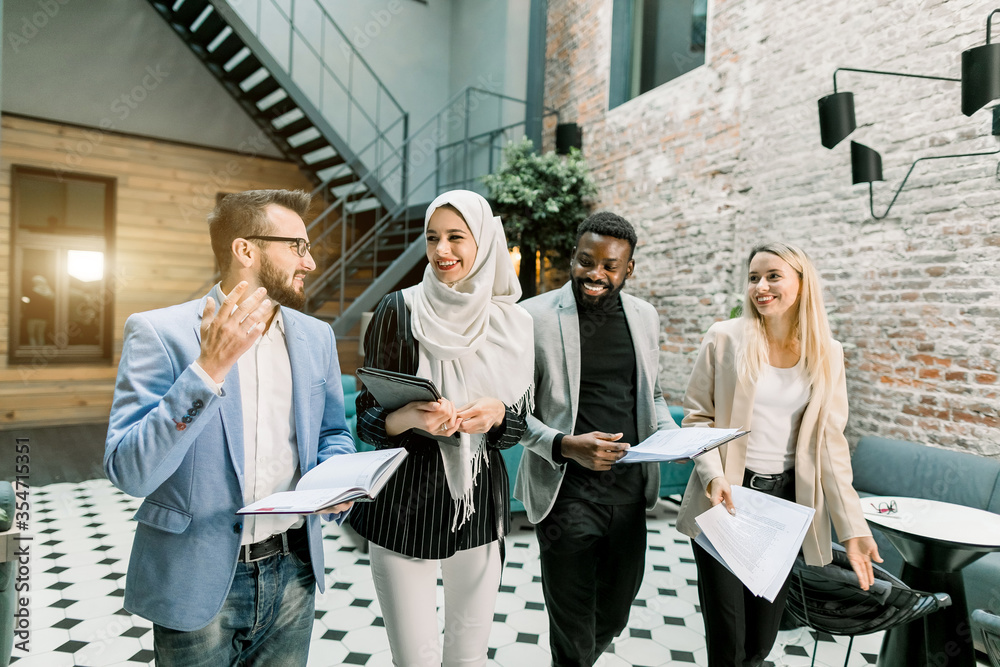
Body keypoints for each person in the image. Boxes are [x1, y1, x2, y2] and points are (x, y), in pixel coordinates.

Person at [104, 189, 356, 666]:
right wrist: (205, 372)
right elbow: (129, 471)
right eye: (297, 247)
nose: (311, 262)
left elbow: (331, 433)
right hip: (196, 578)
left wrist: (335, 475)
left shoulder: (316, 337)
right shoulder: (160, 332)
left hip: (294, 572)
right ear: (246, 250)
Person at [675, 241, 882, 667]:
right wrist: (714, 477)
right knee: (728, 640)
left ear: (802, 284)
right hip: (727, 500)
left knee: (761, 639)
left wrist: (853, 530)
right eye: (753, 278)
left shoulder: (828, 354)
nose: (761, 287)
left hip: (783, 506)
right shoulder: (725, 338)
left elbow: (831, 444)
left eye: (773, 276)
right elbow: (697, 419)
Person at [349, 190, 532, 667]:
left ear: (485, 243)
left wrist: (496, 417)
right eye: (433, 238)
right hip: (403, 504)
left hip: (478, 505)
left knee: (467, 656)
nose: (442, 251)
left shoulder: (514, 323)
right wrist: (410, 417)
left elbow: (518, 427)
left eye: (456, 237)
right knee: (415, 659)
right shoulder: (399, 309)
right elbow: (367, 415)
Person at [515, 211, 679, 667]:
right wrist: (567, 446)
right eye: (587, 261)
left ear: (629, 269)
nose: (596, 274)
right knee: (571, 625)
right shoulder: (533, 316)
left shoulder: (645, 317)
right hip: (566, 493)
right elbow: (512, 414)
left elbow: (654, 394)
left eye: (610, 266)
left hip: (629, 493)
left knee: (614, 612)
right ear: (573, 257)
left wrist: (672, 438)